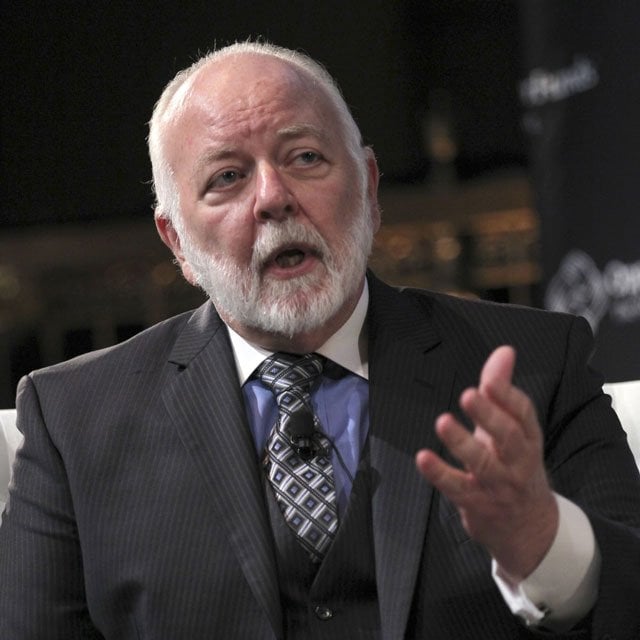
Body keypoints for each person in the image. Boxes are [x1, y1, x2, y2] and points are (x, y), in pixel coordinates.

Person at [1, 41, 639, 640]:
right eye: (227, 177)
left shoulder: (536, 367)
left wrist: (543, 543)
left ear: (369, 187)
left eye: (305, 157)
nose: (274, 198)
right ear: (178, 243)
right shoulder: (73, 420)